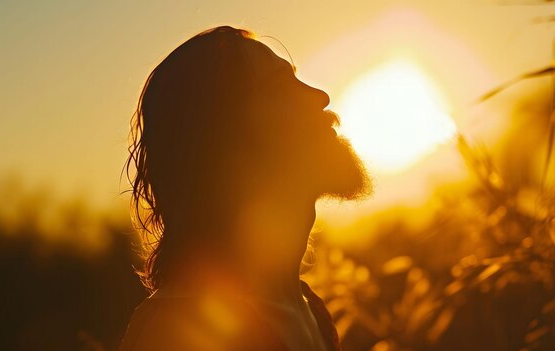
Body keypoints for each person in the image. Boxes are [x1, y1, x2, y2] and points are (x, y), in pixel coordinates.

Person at [120, 26, 371, 351]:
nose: (319, 97)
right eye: (281, 87)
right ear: (224, 144)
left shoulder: (309, 310)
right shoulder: (180, 330)